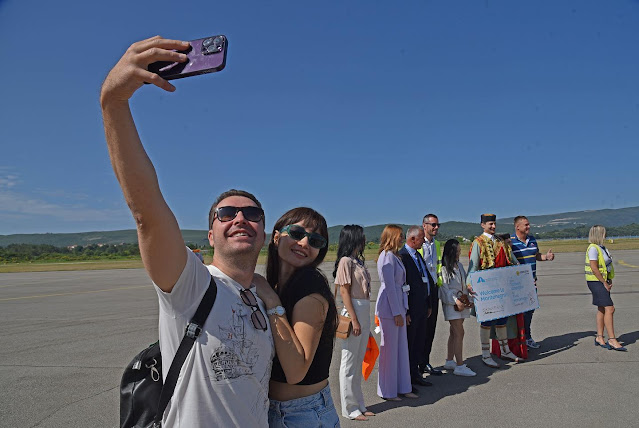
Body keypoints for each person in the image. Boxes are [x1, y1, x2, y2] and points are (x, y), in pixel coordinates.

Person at [100, 36, 274, 426]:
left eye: (252, 214)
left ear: (263, 233)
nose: (240, 219)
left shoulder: (260, 298)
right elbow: (147, 210)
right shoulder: (192, 286)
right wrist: (114, 103)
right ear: (210, 234)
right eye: (226, 213)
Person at [253, 207, 341, 427]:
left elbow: (296, 371)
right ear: (276, 236)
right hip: (277, 410)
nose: (304, 243)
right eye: (296, 233)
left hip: (300, 415)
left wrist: (272, 303)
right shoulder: (278, 285)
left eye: (315, 241)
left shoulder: (309, 285)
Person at [467, 214, 522, 368]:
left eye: (494, 224)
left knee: (502, 319)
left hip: (502, 286)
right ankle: (485, 354)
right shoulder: (478, 242)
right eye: (490, 224)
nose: (493, 227)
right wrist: (469, 283)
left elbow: (512, 260)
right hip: (487, 288)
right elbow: (473, 265)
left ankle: (505, 350)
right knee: (487, 321)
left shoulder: (500, 241)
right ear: (482, 225)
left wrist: (521, 273)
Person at [333, 225, 375, 421]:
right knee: (348, 362)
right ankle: (349, 408)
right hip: (354, 311)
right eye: (361, 236)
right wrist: (354, 319)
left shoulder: (356, 261)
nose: (364, 240)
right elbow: (343, 292)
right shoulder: (345, 262)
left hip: (363, 309)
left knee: (358, 362)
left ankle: (359, 403)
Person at [375, 225, 417, 401]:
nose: (402, 239)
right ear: (392, 237)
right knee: (390, 352)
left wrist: (403, 310)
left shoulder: (394, 256)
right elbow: (390, 288)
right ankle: (388, 391)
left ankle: (403, 386)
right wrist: (397, 313)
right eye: (400, 236)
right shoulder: (386, 258)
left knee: (400, 350)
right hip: (389, 309)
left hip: (398, 307)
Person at [510, 216, 555, 349]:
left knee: (530, 310)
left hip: (532, 283)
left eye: (528, 225)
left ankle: (527, 337)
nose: (529, 227)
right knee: (519, 312)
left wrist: (546, 257)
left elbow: (536, 256)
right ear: (517, 227)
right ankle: (517, 338)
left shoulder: (532, 239)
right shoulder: (511, 242)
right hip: (517, 284)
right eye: (526, 225)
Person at [398, 226, 433, 387]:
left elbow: (424, 279)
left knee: (419, 341)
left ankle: (416, 374)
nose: (423, 241)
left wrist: (428, 303)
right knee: (411, 343)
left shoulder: (417, 255)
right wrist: (406, 311)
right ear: (412, 239)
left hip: (422, 307)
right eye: (420, 238)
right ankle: (409, 378)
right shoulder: (403, 257)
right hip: (411, 309)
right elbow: (402, 286)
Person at [586, 225, 626, 351]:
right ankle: (612, 339)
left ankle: (599, 337)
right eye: (603, 233)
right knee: (610, 308)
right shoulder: (593, 248)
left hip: (603, 280)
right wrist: (603, 282)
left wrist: (609, 280)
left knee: (602, 308)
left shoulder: (602, 247)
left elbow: (606, 266)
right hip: (596, 281)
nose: (605, 234)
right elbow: (594, 267)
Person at [439, 239, 476, 376]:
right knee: (460, 333)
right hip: (452, 306)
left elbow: (464, 284)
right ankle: (460, 365)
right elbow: (444, 289)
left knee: (454, 333)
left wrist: (469, 298)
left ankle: (450, 360)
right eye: (457, 251)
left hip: (462, 303)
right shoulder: (443, 269)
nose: (459, 253)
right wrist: (456, 301)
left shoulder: (459, 265)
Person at [418, 214, 443, 376]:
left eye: (437, 225)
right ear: (424, 226)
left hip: (434, 289)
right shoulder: (418, 244)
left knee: (431, 329)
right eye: (433, 225)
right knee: (420, 329)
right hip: (421, 291)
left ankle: (425, 361)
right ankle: (416, 364)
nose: (436, 228)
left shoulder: (438, 245)